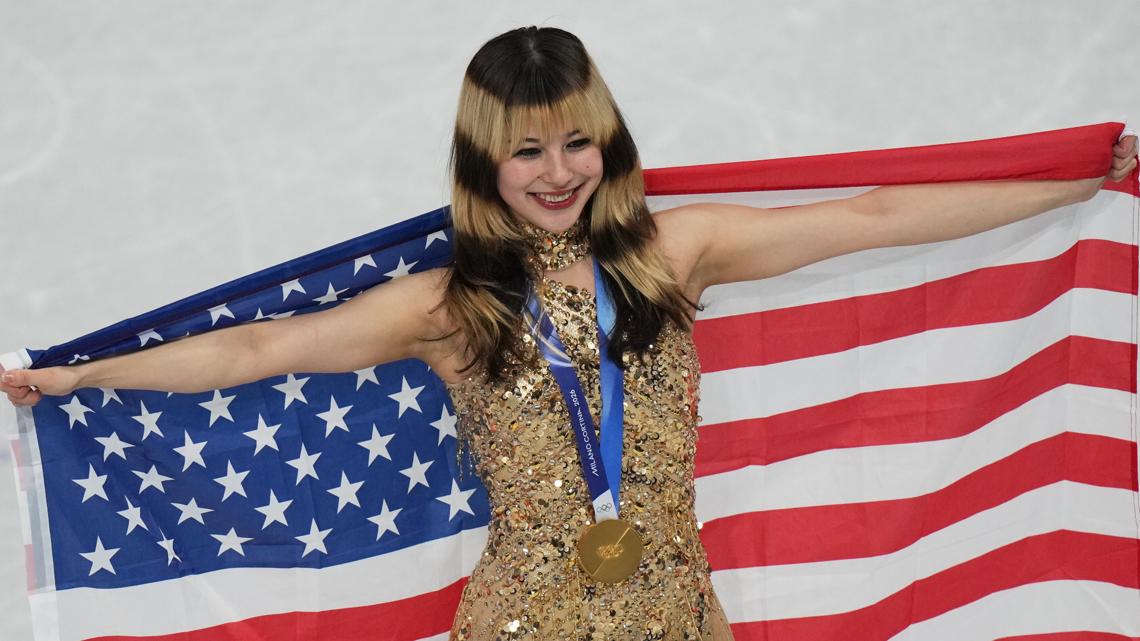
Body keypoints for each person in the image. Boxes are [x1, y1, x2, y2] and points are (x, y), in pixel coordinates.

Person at [2, 26, 1137, 641]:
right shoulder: (450, 304)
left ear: (609, 140)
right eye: (528, 151)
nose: (558, 174)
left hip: (681, 615)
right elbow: (258, 351)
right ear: (484, 161)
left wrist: (1073, 181)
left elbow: (872, 217)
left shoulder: (671, 254)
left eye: (576, 142)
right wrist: (83, 373)